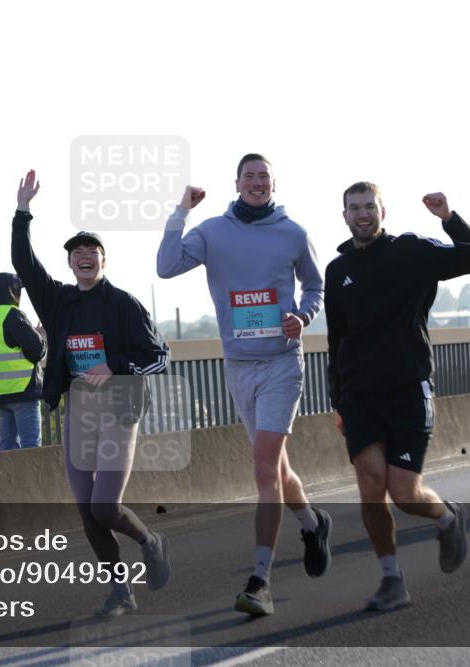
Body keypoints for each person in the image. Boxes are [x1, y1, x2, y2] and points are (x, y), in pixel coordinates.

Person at [157, 153, 332, 617]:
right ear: (236, 183)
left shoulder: (293, 233)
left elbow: (316, 287)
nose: (257, 183)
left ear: (274, 184)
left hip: (280, 364)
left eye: (264, 177)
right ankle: (313, 525)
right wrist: (182, 211)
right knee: (276, 469)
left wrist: (303, 316)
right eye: (249, 177)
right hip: (238, 365)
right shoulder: (213, 231)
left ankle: (260, 582)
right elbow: (166, 266)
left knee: (262, 470)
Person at [11, 169, 171, 617]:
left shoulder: (122, 303)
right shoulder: (59, 301)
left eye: (92, 251)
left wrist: (114, 366)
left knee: (106, 505)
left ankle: (149, 540)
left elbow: (159, 354)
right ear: (70, 263)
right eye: (77, 252)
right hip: (79, 408)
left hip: (120, 408)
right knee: (86, 511)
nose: (84, 256)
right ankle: (121, 590)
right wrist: (23, 211)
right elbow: (24, 264)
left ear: (104, 261)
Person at [325, 183, 470, 611]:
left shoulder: (411, 252)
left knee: (405, 494)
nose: (362, 214)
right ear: (344, 216)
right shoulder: (336, 270)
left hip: (407, 389)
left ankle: (448, 517)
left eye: (369, 207)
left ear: (383, 211)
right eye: (354, 208)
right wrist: (337, 400)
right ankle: (392, 580)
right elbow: (337, 338)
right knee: (369, 486)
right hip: (359, 396)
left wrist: (448, 218)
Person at [0, 273, 46, 450]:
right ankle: (29, 479)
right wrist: (42, 337)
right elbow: (37, 351)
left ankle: (8, 479)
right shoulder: (12, 315)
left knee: (7, 448)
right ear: (11, 291)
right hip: (22, 390)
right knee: (31, 448)